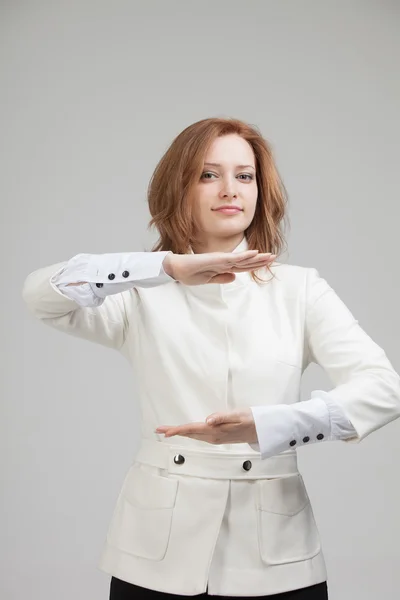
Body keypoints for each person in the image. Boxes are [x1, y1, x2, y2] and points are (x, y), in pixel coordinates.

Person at [22, 117, 400, 600]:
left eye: (244, 176)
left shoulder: (301, 289)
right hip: (155, 552)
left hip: (275, 554)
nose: (230, 189)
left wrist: (273, 425)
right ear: (177, 187)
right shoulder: (140, 291)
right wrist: (164, 267)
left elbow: (384, 389)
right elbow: (40, 295)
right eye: (208, 174)